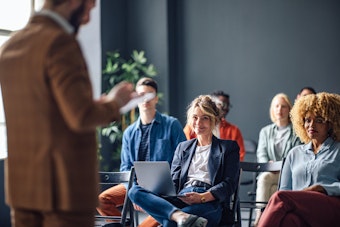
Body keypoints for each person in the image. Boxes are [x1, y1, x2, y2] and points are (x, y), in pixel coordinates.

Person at [0, 1, 135, 227]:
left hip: (23, 189)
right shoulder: (60, 43)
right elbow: (81, 116)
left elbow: (45, 111)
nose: (88, 19)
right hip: (63, 190)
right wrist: (115, 103)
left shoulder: (10, 46)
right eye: (89, 8)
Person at [128, 95, 240, 227]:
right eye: (195, 117)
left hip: (209, 201)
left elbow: (229, 185)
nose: (198, 123)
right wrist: (153, 190)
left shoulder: (228, 148)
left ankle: (176, 216)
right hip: (182, 197)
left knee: (172, 223)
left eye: (205, 118)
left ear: (214, 120)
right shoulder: (183, 147)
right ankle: (177, 215)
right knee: (134, 191)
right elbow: (174, 183)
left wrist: (202, 197)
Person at [97, 77, 186, 227]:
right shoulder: (129, 132)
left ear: (156, 98)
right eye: (141, 95)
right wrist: (135, 191)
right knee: (102, 200)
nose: (145, 99)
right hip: (134, 186)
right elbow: (125, 168)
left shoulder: (172, 125)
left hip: (165, 187)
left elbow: (184, 159)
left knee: (165, 207)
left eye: (149, 95)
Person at [258, 92, 340, 227]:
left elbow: (282, 196)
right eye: (308, 120)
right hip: (300, 208)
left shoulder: (338, 150)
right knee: (288, 220)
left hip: (330, 206)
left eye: (319, 120)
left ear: (331, 124)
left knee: (280, 197)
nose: (311, 125)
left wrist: (322, 188)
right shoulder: (294, 153)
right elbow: (285, 188)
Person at [253, 93, 301, 226]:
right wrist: (269, 165)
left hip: (288, 172)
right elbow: (261, 153)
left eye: (283, 106)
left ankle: (262, 221)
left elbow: (296, 154)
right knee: (266, 178)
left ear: (289, 109)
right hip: (269, 172)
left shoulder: (296, 132)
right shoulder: (265, 131)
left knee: (267, 181)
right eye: (277, 106)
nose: (279, 110)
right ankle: (261, 218)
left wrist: (281, 167)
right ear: (272, 109)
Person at [183, 91, 245, 161]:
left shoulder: (234, 130)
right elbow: (185, 151)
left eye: (227, 105)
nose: (225, 108)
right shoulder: (193, 127)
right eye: (221, 104)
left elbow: (239, 156)